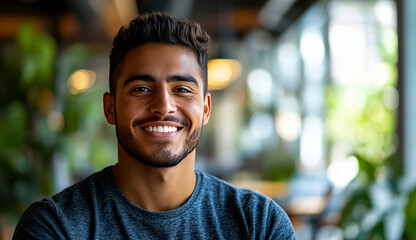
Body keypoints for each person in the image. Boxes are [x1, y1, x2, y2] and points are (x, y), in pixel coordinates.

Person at [13, 12, 296, 239]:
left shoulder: (259, 223)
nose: (163, 105)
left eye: (182, 89)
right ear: (110, 108)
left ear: (206, 108)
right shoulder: (55, 226)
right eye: (141, 89)